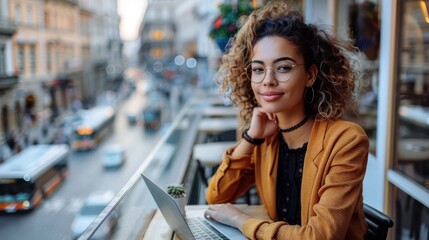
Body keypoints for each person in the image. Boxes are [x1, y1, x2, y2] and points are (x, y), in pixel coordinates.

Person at [204, 1, 369, 239]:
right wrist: (251, 138)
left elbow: (320, 236)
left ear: (310, 75)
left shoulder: (346, 141)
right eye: (258, 70)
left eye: (283, 68)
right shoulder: (267, 139)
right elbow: (216, 196)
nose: (267, 81)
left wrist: (241, 221)